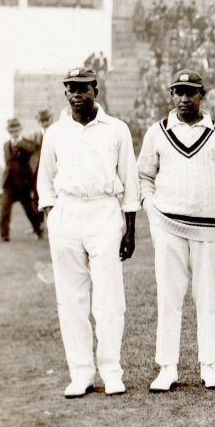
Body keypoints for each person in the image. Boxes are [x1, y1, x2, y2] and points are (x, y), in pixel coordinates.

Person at [37, 67, 139, 397]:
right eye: (70, 88)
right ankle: (81, 372)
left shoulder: (116, 129)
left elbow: (130, 180)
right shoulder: (55, 132)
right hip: (67, 213)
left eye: (83, 87)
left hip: (103, 211)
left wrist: (130, 230)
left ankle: (111, 371)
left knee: (109, 298)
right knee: (71, 299)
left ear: (96, 89)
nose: (76, 93)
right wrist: (53, 217)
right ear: (65, 92)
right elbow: (45, 180)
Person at [137, 70, 215, 391]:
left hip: (209, 229)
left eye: (190, 92)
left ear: (202, 95)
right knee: (170, 296)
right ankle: (168, 367)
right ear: (171, 94)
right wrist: (151, 208)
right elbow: (144, 176)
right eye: (178, 92)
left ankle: (209, 365)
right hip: (168, 225)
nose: (184, 98)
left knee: (208, 296)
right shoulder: (157, 132)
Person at [1, 118, 43, 241]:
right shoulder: (6, 145)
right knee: (4, 210)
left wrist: (19, 143)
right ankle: (4, 236)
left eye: (15, 130)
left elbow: (33, 149)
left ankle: (38, 230)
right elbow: (8, 163)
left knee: (30, 210)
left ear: (20, 130)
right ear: (8, 131)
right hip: (9, 184)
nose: (13, 133)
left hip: (24, 184)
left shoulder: (27, 143)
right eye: (11, 130)